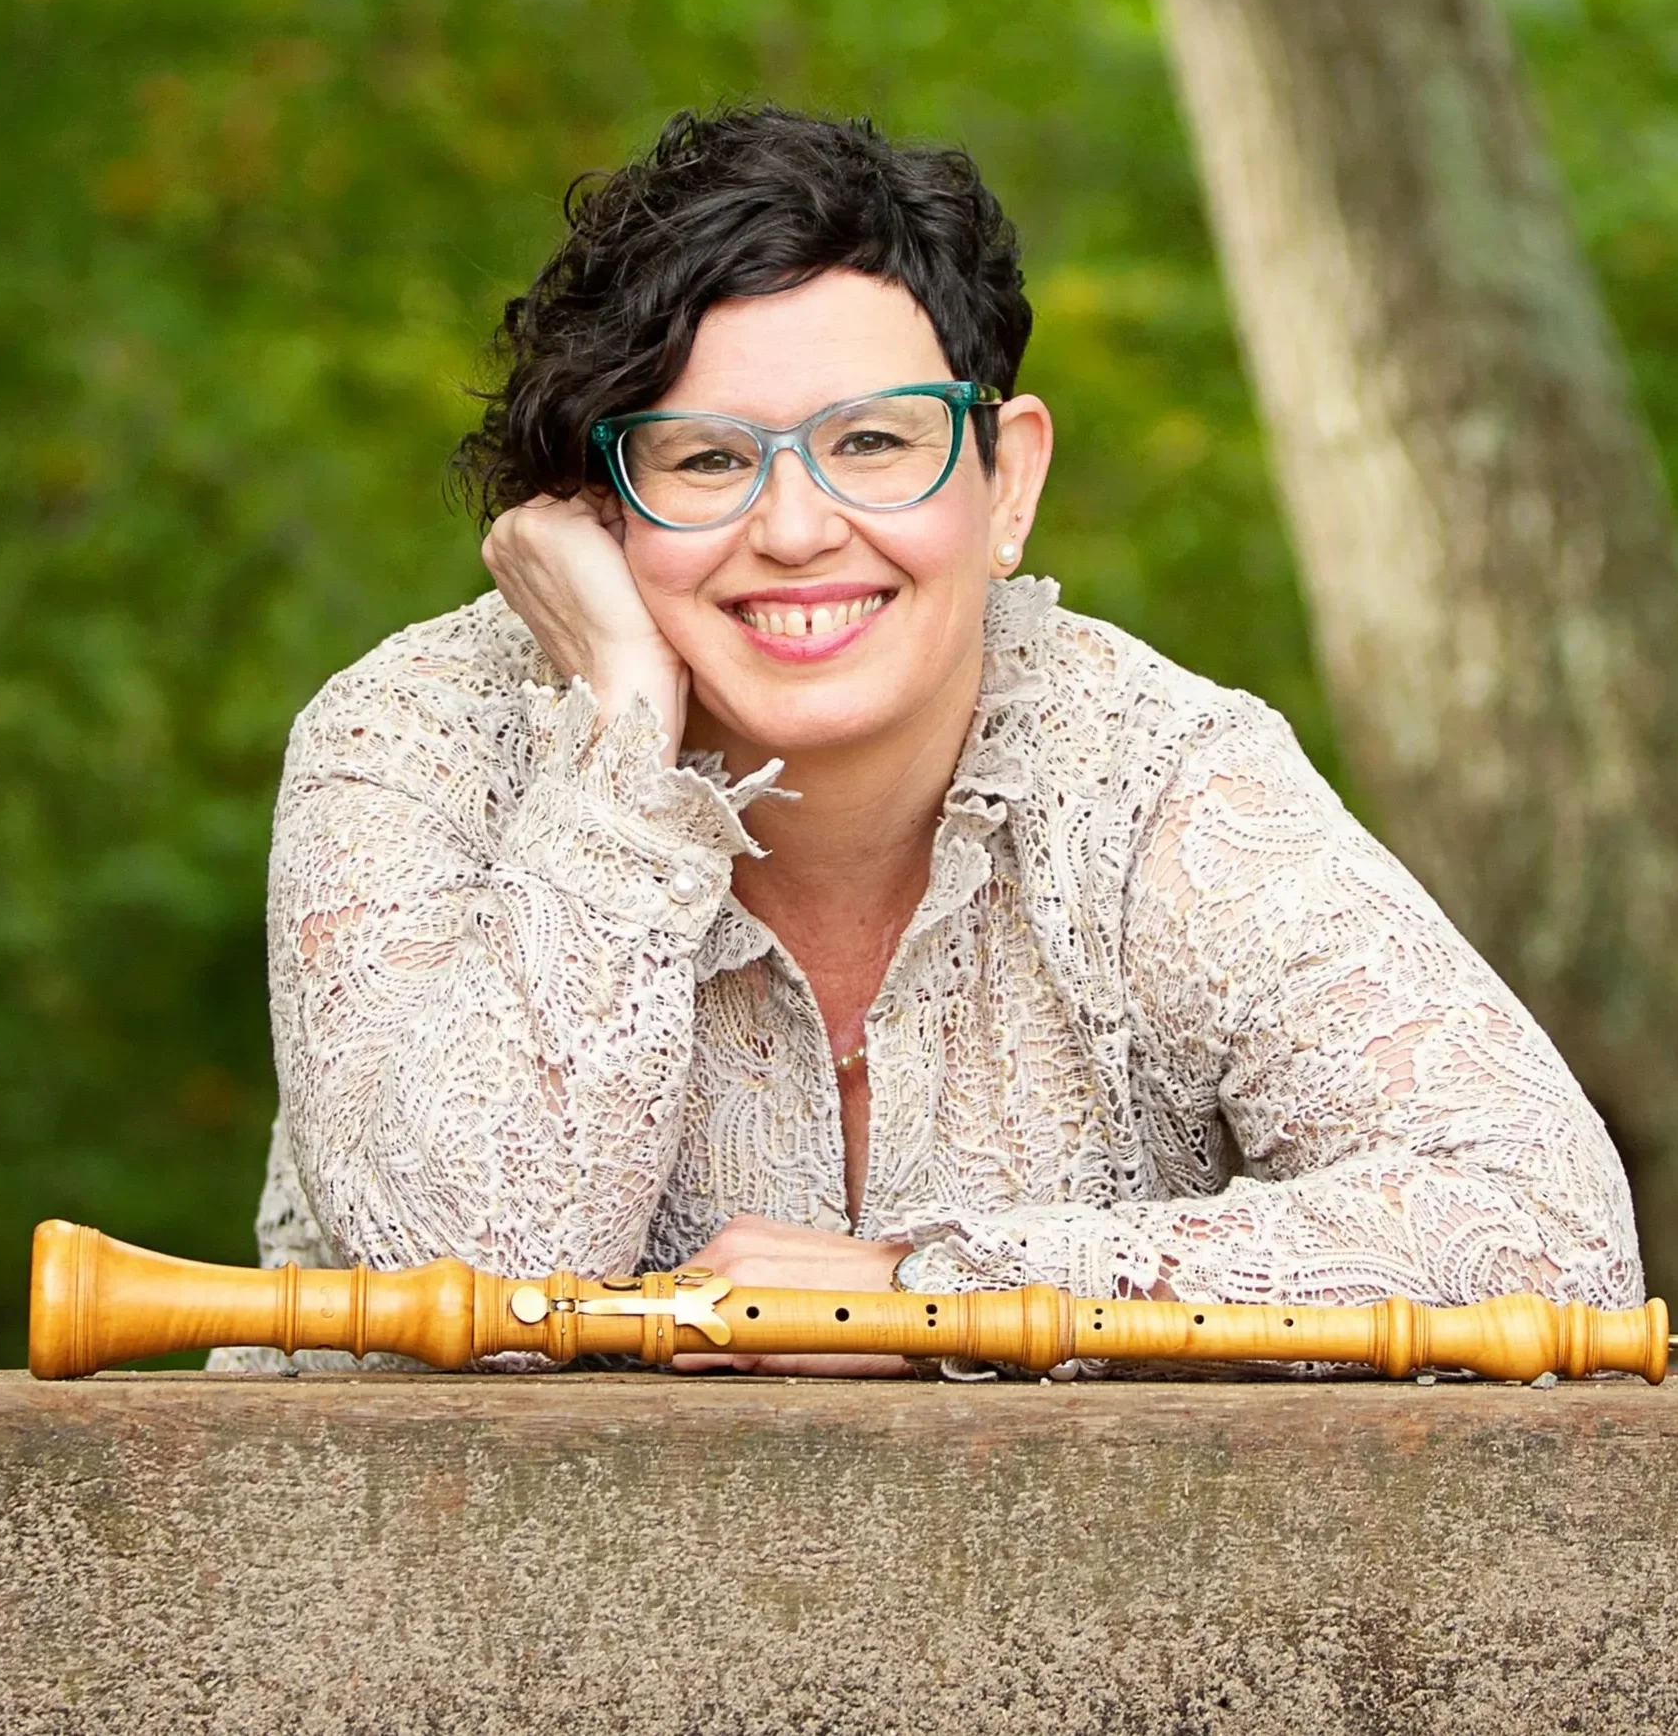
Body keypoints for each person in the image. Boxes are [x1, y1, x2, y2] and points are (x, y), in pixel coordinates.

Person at [217, 104, 1641, 1376]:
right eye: (706, 458)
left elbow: (1547, 1233)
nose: (795, 529)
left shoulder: (1155, 780)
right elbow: (477, 1288)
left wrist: (922, 1294)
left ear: (1005, 481)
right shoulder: (412, 744)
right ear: (592, 513)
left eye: (875, 443)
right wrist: (625, 734)